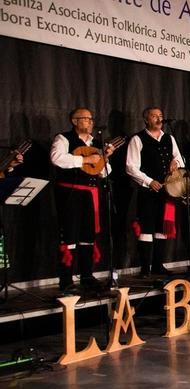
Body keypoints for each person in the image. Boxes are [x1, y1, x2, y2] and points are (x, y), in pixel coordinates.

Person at [50, 107, 117, 292]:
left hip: (91, 194)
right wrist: (86, 160)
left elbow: (105, 172)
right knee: (70, 234)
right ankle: (66, 280)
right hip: (70, 193)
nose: (90, 122)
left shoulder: (96, 143)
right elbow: (57, 159)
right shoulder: (63, 138)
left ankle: (87, 276)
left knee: (88, 235)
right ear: (74, 120)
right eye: (85, 119)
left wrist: (103, 158)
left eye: (91, 119)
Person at [126, 106, 184, 277]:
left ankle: (158, 265)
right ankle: (145, 268)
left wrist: (176, 164)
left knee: (161, 227)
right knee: (147, 227)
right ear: (146, 120)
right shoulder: (138, 139)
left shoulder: (169, 138)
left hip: (167, 190)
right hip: (148, 191)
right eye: (154, 116)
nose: (159, 119)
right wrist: (149, 181)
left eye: (160, 116)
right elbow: (131, 166)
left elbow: (179, 158)